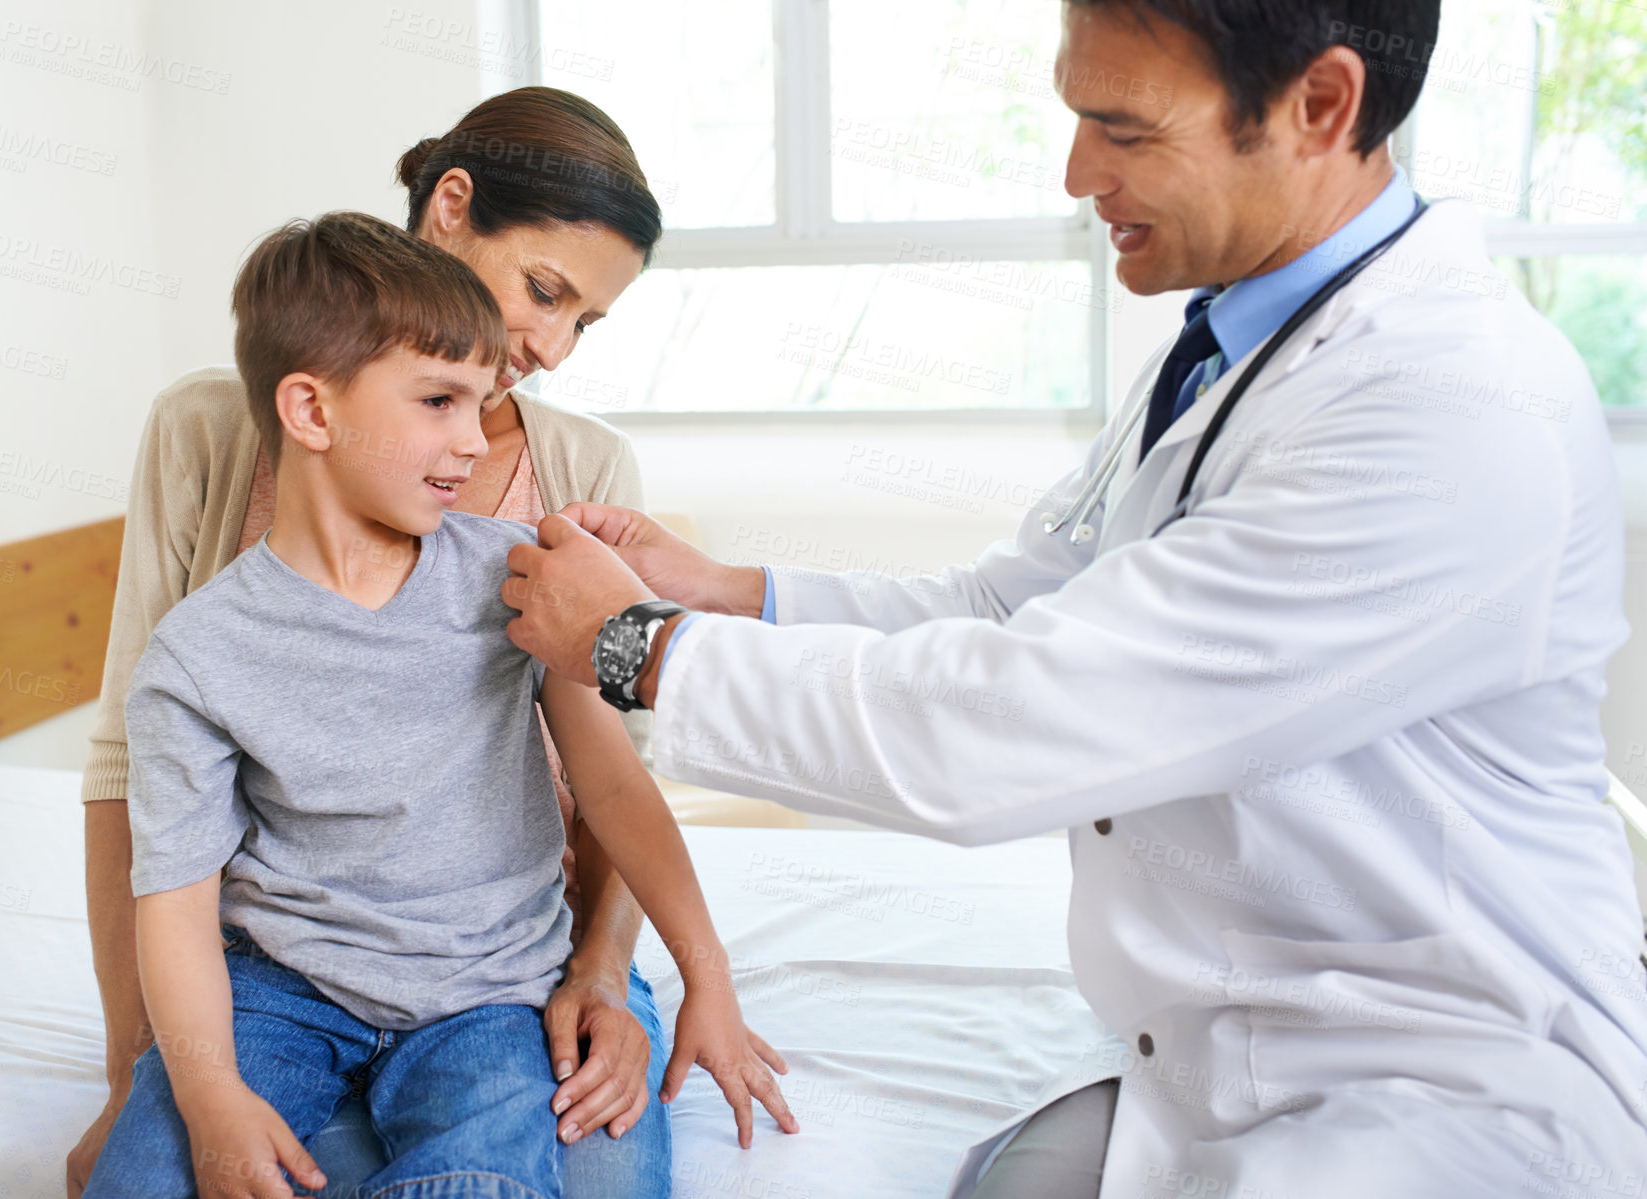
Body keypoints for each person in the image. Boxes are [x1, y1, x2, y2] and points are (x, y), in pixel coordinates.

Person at [495, 1, 1647, 1195]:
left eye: (1123, 129)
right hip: (1223, 1056)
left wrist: (637, 645)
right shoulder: (1227, 351)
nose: (1076, 171)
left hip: (1433, 1094)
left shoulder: (1444, 407)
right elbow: (1013, 609)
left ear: (1320, 106)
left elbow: (1011, 723)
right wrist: (727, 592)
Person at [81, 212, 796, 1199]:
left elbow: (617, 789)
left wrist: (707, 974)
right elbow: (176, 902)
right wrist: (206, 1096)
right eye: (439, 401)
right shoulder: (196, 657)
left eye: (480, 403)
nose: (472, 439)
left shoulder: (517, 577)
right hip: (282, 992)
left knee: (482, 1181)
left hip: (491, 995)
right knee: (144, 1176)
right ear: (310, 410)